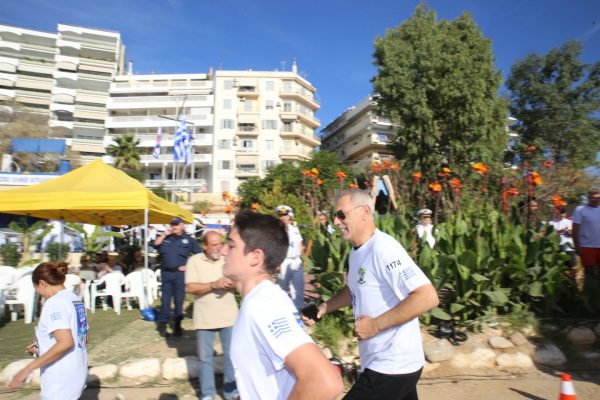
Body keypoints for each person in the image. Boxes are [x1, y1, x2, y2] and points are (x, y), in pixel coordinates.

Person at [304, 189, 439, 400]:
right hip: (385, 365)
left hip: (392, 366)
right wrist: (323, 308)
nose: (336, 222)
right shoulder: (357, 252)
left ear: (365, 212)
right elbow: (353, 289)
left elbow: (427, 297)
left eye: (341, 215)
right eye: (335, 216)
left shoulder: (384, 249)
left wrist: (375, 325)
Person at [221, 211, 343, 400]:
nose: (223, 251)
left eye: (231, 246)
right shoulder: (263, 299)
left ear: (255, 257)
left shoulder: (263, 304)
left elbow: (325, 382)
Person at [7, 262, 88, 399]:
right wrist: (42, 347)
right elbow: (84, 338)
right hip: (77, 374)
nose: (39, 294)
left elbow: (66, 343)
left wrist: (26, 370)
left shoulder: (54, 303)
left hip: (59, 380)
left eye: (36, 289)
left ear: (42, 283)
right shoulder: (75, 300)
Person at [185, 231, 239, 400]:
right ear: (204, 246)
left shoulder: (227, 259)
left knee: (231, 356)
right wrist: (214, 285)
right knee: (205, 358)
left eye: (220, 243)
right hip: (205, 319)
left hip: (229, 317)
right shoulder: (194, 261)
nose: (218, 247)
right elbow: (191, 287)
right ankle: (208, 394)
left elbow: (240, 283)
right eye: (214, 244)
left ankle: (231, 392)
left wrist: (231, 284)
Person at [153, 217, 202, 337]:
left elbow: (199, 255)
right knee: (165, 301)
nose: (174, 227)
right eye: (172, 225)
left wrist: (188, 266)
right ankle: (163, 325)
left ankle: (177, 326)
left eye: (176, 224)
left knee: (179, 301)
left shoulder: (188, 240)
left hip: (180, 275)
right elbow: (155, 244)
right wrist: (164, 234)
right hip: (166, 273)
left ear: (182, 225)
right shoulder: (166, 237)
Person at [275, 205, 305, 310]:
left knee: (298, 289)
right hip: (284, 262)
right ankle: (279, 312)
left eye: (285, 215)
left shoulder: (294, 229)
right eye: (281, 215)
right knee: (281, 290)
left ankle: (298, 313)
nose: (283, 217)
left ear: (289, 216)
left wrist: (300, 253)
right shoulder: (276, 231)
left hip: (296, 261)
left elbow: (300, 243)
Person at [572, 189, 600, 288]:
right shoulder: (580, 210)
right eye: (593, 197)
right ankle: (588, 293)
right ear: (588, 198)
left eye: (598, 198)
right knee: (589, 273)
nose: (595, 200)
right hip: (587, 246)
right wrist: (577, 247)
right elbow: (575, 230)